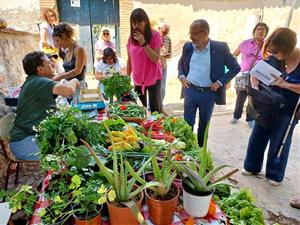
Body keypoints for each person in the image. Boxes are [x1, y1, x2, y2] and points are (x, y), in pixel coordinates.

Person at [243, 27, 300, 186]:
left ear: (287, 49)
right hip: (267, 105)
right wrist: (255, 84)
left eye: (276, 52)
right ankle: (252, 166)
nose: (273, 55)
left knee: (279, 140)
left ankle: (274, 174)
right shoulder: (274, 56)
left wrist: (286, 85)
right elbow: (255, 72)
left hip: (288, 109)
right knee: (258, 136)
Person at [178, 19, 240, 147]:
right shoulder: (188, 47)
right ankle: (185, 149)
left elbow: (235, 67)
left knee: (204, 124)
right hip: (190, 90)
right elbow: (181, 63)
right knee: (187, 123)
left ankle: (200, 151)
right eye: (190, 33)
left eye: (194, 33)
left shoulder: (220, 48)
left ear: (204, 33)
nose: (191, 37)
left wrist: (220, 82)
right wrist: (182, 75)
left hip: (208, 94)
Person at [9, 51, 80, 160]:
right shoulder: (38, 82)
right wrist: (75, 80)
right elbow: (68, 91)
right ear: (40, 69)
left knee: (72, 146)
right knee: (66, 158)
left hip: (30, 137)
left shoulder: (35, 81)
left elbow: (57, 84)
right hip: (24, 142)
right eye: (48, 63)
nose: (52, 64)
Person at [231, 23, 269, 128]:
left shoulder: (268, 46)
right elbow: (234, 54)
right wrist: (237, 67)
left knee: (254, 98)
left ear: (266, 33)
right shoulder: (245, 43)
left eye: (263, 30)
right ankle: (236, 116)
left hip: (258, 76)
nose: (260, 31)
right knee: (240, 97)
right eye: (258, 29)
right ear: (254, 31)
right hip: (243, 74)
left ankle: (250, 119)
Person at [127, 8, 163, 113]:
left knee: (156, 111)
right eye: (134, 23)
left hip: (154, 78)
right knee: (140, 110)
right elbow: (129, 61)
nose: (137, 26)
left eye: (140, 22)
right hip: (138, 80)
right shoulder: (131, 39)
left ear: (146, 22)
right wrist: (126, 78)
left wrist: (143, 42)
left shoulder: (155, 35)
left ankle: (155, 129)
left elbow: (155, 58)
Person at [52, 23, 87, 88]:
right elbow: (67, 71)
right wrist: (55, 76)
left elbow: (77, 71)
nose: (57, 44)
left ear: (64, 36)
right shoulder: (67, 51)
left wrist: (58, 77)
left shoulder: (79, 50)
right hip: (68, 86)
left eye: (57, 40)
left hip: (79, 87)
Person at [39, 8, 64, 74]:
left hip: (54, 51)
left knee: (59, 70)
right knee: (56, 70)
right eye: (49, 16)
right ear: (46, 17)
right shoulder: (44, 25)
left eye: (52, 15)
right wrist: (52, 49)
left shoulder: (52, 25)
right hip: (48, 52)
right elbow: (43, 41)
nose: (51, 18)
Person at [158, 22, 172, 115]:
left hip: (163, 66)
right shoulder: (154, 38)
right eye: (163, 32)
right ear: (159, 29)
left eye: (166, 32)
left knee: (162, 89)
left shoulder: (167, 39)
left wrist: (167, 55)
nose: (165, 34)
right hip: (154, 67)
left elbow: (168, 53)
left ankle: (160, 106)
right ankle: (154, 107)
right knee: (155, 89)